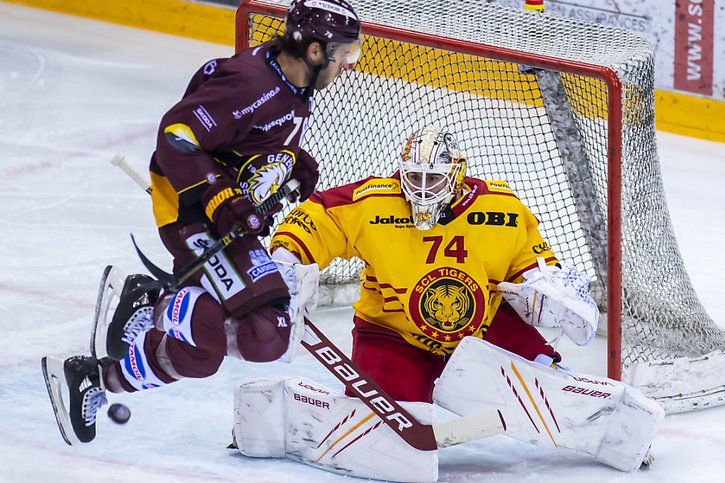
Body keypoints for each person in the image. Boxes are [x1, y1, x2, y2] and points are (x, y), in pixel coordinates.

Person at [42, 0, 362, 445]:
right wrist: (219, 196)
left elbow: (243, 136)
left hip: (218, 214)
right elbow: (177, 135)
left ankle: (93, 379)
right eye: (345, 52)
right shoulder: (252, 84)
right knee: (267, 334)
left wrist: (292, 159)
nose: (348, 63)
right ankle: (155, 300)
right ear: (313, 51)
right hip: (190, 210)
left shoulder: (292, 83)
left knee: (199, 356)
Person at [268, 125, 599, 403]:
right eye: (414, 177)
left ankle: (576, 401)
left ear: (456, 174)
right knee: (385, 419)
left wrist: (546, 288)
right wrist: (287, 258)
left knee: (547, 382)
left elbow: (530, 260)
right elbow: (321, 215)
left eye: (434, 179)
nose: (423, 189)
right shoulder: (373, 203)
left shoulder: (502, 209)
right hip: (393, 333)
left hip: (482, 325)